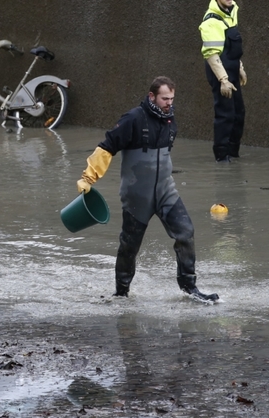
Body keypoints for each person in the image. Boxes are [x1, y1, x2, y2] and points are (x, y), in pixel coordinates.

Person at [76, 76, 219, 302]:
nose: (169, 103)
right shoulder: (133, 118)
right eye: (164, 98)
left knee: (186, 232)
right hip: (136, 196)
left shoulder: (170, 120)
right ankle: (121, 292)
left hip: (166, 192)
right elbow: (107, 147)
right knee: (129, 246)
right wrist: (88, 178)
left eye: (172, 99)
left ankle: (190, 289)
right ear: (152, 96)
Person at [199, 0, 248, 162]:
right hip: (219, 70)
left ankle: (233, 153)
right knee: (225, 114)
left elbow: (232, 46)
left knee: (239, 112)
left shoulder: (231, 11)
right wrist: (223, 79)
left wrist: (240, 68)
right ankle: (221, 156)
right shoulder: (210, 21)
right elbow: (212, 54)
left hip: (232, 67)